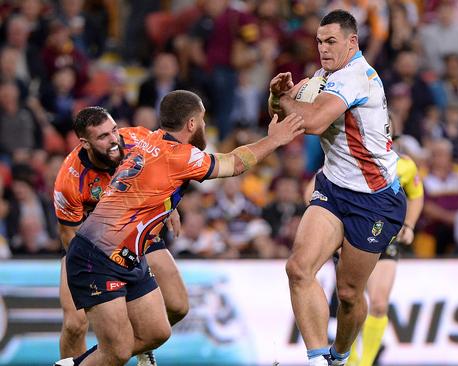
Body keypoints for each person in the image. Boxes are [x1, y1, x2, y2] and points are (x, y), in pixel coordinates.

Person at [55, 90, 303, 366]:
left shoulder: (144, 139)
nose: (206, 126)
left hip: (130, 252)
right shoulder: (178, 157)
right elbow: (234, 163)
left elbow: (148, 177)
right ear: (192, 124)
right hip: (97, 255)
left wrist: (166, 206)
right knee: (116, 350)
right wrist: (276, 139)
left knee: (156, 332)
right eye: (203, 121)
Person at [269, 9, 407, 366]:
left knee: (348, 294)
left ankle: (341, 357)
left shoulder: (355, 77)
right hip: (334, 188)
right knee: (298, 269)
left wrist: (287, 102)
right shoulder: (323, 76)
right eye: (319, 41)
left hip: (374, 200)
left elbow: (311, 121)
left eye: (331, 41)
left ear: (352, 42)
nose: (324, 49)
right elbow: (283, 115)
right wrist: (277, 95)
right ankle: (318, 360)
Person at [53, 107, 186, 366]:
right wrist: (106, 276)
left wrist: (170, 204)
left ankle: (129, 344)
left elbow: (170, 166)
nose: (114, 140)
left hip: (139, 235)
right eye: (103, 136)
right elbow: (70, 236)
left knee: (178, 306)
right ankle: (92, 357)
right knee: (74, 324)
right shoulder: (69, 181)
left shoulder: (138, 140)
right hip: (91, 249)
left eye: (114, 130)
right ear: (85, 143)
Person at [347, 152, 423, 366]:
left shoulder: (405, 164)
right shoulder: (345, 155)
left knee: (379, 304)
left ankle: (365, 363)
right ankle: (349, 357)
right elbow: (312, 190)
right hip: (352, 237)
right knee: (350, 300)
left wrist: (409, 225)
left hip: (386, 239)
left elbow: (417, 194)